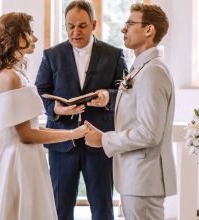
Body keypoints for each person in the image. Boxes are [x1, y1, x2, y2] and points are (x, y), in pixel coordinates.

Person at [0, 12, 88, 220]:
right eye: (29, 32)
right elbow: (26, 134)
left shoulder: (18, 73)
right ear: (15, 36)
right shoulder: (9, 77)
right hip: (19, 159)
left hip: (30, 157)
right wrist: (73, 133)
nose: (34, 38)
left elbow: (32, 127)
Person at [35, 1, 127, 219]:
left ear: (93, 24)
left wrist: (107, 97)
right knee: (59, 208)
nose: (76, 32)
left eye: (82, 26)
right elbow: (40, 90)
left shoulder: (114, 54)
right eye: (70, 26)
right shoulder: (51, 55)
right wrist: (55, 109)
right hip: (62, 143)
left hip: (99, 140)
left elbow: (125, 92)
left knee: (103, 208)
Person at [84, 3, 177, 220]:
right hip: (135, 178)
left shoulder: (153, 71)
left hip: (144, 179)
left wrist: (104, 139)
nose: (123, 29)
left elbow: (149, 133)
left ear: (148, 30)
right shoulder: (141, 68)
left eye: (129, 24)